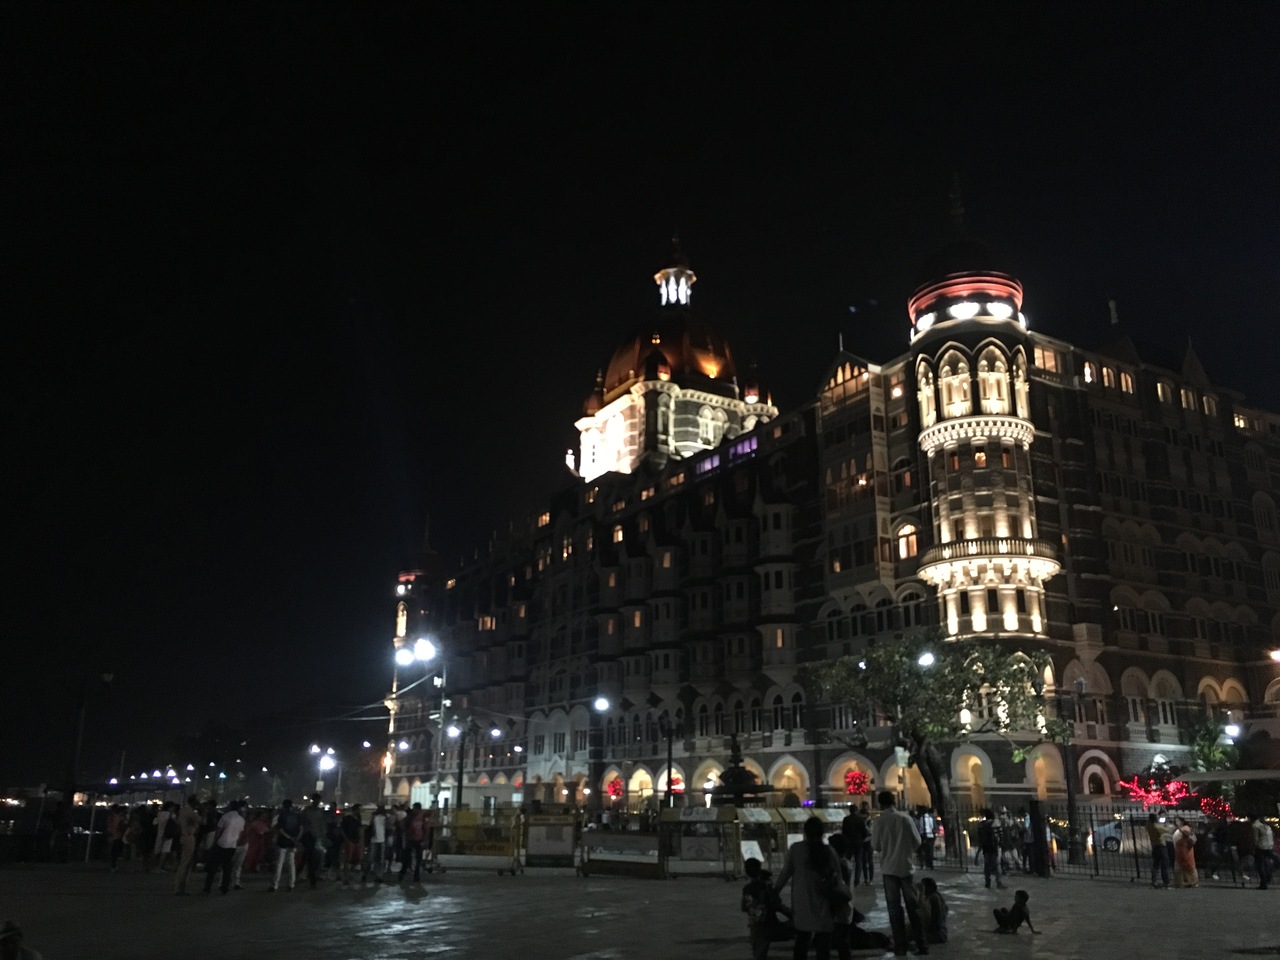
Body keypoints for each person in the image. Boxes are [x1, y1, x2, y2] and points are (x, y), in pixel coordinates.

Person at [774, 815, 843, 960]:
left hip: (802, 901)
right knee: (823, 944)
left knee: (802, 940)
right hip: (824, 903)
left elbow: (785, 874)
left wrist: (775, 892)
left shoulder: (796, 849)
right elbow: (839, 879)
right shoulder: (829, 851)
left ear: (805, 832)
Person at [870, 790, 927, 957]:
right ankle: (921, 944)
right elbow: (917, 841)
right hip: (906, 867)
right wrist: (905, 850)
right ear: (894, 801)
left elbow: (876, 846)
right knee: (913, 908)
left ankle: (900, 946)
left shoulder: (879, 821)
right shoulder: (905, 818)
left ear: (880, 803)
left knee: (894, 908)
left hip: (889, 869)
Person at [741, 856, 793, 960]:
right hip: (767, 924)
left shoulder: (746, 889)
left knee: (758, 951)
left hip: (754, 925)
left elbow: (744, 907)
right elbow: (776, 902)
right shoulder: (764, 887)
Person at [205, 800, 245, 894]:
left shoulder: (226, 817)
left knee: (213, 866)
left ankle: (208, 887)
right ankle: (225, 887)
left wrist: (215, 841)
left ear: (230, 806)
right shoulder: (241, 819)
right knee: (227, 867)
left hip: (221, 843)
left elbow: (219, 830)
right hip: (232, 845)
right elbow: (240, 833)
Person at [826, 834, 855, 960]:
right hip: (845, 907)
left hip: (841, 907)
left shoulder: (840, 865)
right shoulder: (845, 863)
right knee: (843, 940)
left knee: (842, 941)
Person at [173, 795, 204, 895]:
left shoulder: (183, 810)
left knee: (184, 862)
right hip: (189, 836)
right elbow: (201, 821)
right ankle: (180, 887)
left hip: (183, 835)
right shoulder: (190, 812)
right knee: (186, 862)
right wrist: (202, 810)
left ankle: (179, 887)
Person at [270, 799, 301, 892]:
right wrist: (296, 839)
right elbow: (301, 828)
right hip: (292, 843)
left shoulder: (282, 816)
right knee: (291, 864)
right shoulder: (296, 816)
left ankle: (275, 884)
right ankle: (291, 884)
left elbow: (280, 830)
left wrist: (288, 837)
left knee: (279, 864)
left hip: (283, 842)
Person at [299, 793, 328, 888]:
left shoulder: (318, 811)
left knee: (314, 858)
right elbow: (302, 823)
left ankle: (307, 874)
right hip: (309, 836)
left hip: (316, 836)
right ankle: (312, 879)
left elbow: (322, 825)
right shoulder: (308, 811)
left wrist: (323, 836)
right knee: (311, 858)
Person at [399, 802, 427, 885]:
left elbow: (425, 828)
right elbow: (425, 829)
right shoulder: (418, 817)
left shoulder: (413, 817)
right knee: (412, 858)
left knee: (412, 858)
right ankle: (410, 875)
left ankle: (407, 874)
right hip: (413, 839)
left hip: (413, 839)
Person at [840, 804, 869, 887]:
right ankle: (857, 880)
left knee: (847, 860)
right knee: (858, 862)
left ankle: (847, 878)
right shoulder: (860, 819)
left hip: (849, 843)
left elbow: (843, 832)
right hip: (858, 843)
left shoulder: (846, 819)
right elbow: (864, 832)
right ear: (856, 810)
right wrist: (862, 839)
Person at [976, 808, 1004, 890]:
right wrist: (1000, 844)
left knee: (987, 865)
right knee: (997, 865)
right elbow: (1001, 835)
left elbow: (979, 837)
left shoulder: (982, 825)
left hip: (986, 848)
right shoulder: (996, 823)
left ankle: (987, 882)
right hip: (994, 847)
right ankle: (998, 882)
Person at [363, 804, 389, 883]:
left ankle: (370, 875)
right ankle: (377, 875)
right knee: (378, 859)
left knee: (373, 859)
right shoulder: (383, 817)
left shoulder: (377, 817)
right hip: (380, 840)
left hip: (376, 839)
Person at [917, 877, 948, 944]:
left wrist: (921, 893)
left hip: (936, 934)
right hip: (941, 932)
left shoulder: (933, 898)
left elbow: (923, 913)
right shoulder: (937, 895)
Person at [340, 804, 364, 886]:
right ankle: (346, 877)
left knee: (355, 859)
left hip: (356, 841)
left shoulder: (358, 819)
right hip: (350, 840)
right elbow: (342, 829)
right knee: (348, 860)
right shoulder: (348, 819)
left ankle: (349, 875)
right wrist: (346, 839)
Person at [1146, 813, 1171, 888]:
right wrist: (1166, 824)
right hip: (1161, 846)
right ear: (1155, 819)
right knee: (1164, 864)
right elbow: (1167, 830)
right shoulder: (1157, 827)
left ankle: (1154, 880)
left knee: (1155, 864)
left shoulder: (1148, 825)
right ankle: (1166, 881)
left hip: (1154, 846)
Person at [1172, 817, 1198, 888]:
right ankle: (1182, 882)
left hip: (1185, 849)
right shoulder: (1178, 829)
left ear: (1182, 821)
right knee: (1181, 865)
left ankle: (1191, 881)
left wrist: (1181, 830)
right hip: (1180, 850)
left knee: (1187, 865)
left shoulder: (1185, 828)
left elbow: (1188, 835)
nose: (1176, 822)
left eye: (1178, 821)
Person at [1251, 813, 1274, 891]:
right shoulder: (1266, 826)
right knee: (1267, 863)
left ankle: (1263, 883)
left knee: (1260, 865)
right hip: (1269, 846)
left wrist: (1254, 847)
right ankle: (1268, 877)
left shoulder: (1255, 826)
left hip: (1261, 847)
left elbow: (1255, 838)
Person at [106, 805, 128, 872]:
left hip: (115, 835)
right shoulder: (120, 817)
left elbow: (110, 826)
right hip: (118, 835)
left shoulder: (113, 817)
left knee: (114, 851)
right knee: (115, 851)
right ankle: (113, 866)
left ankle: (113, 865)